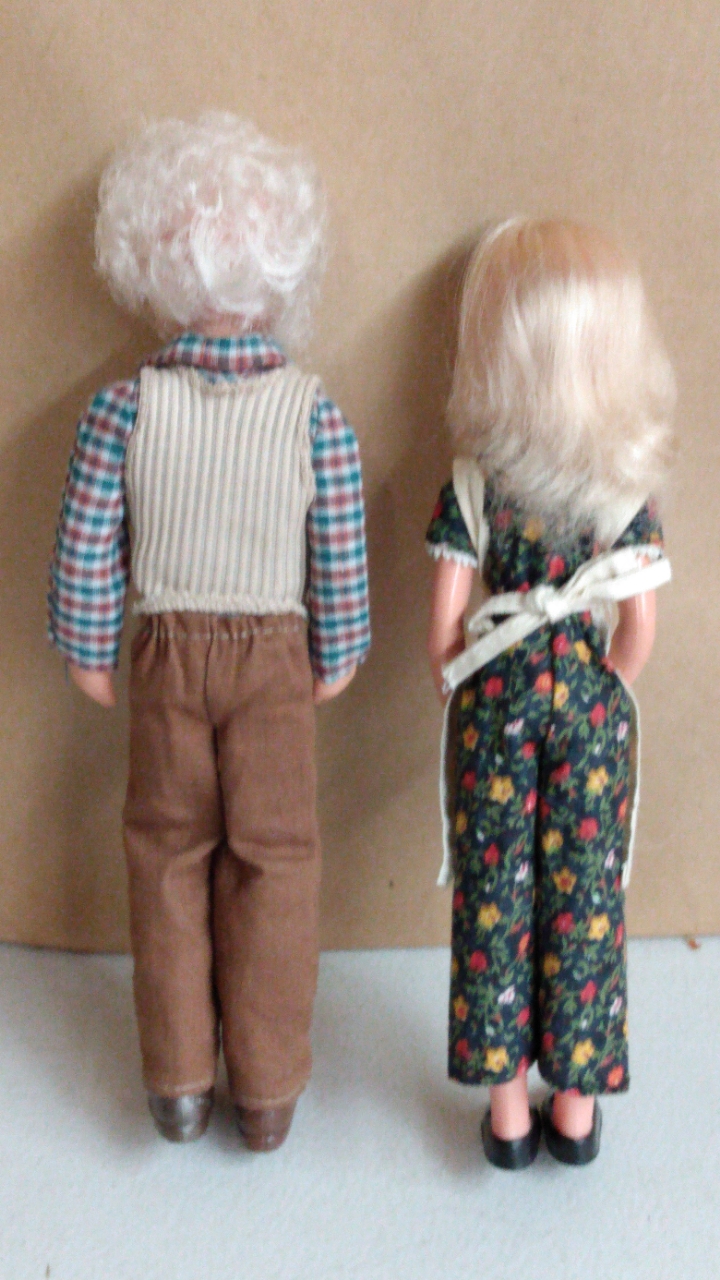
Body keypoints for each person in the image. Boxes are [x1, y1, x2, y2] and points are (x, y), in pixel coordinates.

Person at [48, 113, 370, 1151]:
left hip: (166, 657)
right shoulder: (314, 415)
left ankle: (178, 1080)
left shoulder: (123, 410)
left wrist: (88, 646)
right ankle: (266, 1089)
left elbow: (88, 542)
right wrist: (340, 648)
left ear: (152, 263)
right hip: (275, 659)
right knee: (277, 859)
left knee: (166, 854)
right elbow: (338, 547)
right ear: (284, 265)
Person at [426, 217, 674, 1168]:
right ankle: (574, 1112)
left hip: (495, 701)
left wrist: (475, 696)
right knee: (585, 904)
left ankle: (507, 1120)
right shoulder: (621, 488)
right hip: (588, 705)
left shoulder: (476, 482)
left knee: (495, 900)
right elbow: (639, 626)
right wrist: (597, 696)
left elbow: (444, 630)